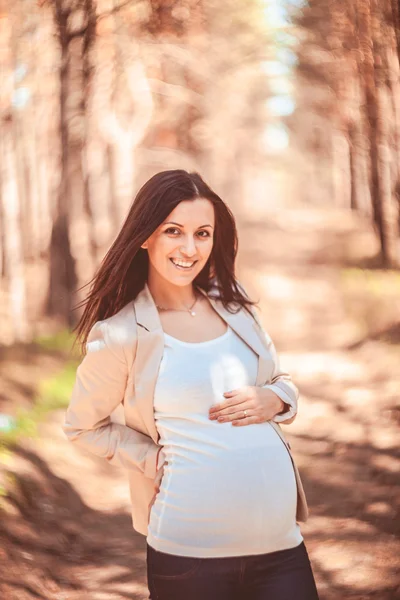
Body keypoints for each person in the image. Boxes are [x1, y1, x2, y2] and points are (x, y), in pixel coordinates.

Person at [63, 169, 319, 600]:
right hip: (189, 559)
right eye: (173, 231)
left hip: (281, 547)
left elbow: (281, 381)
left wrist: (275, 399)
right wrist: (152, 458)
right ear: (146, 236)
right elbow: (82, 427)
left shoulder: (235, 302)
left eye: (202, 233)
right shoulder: (122, 333)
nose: (189, 248)